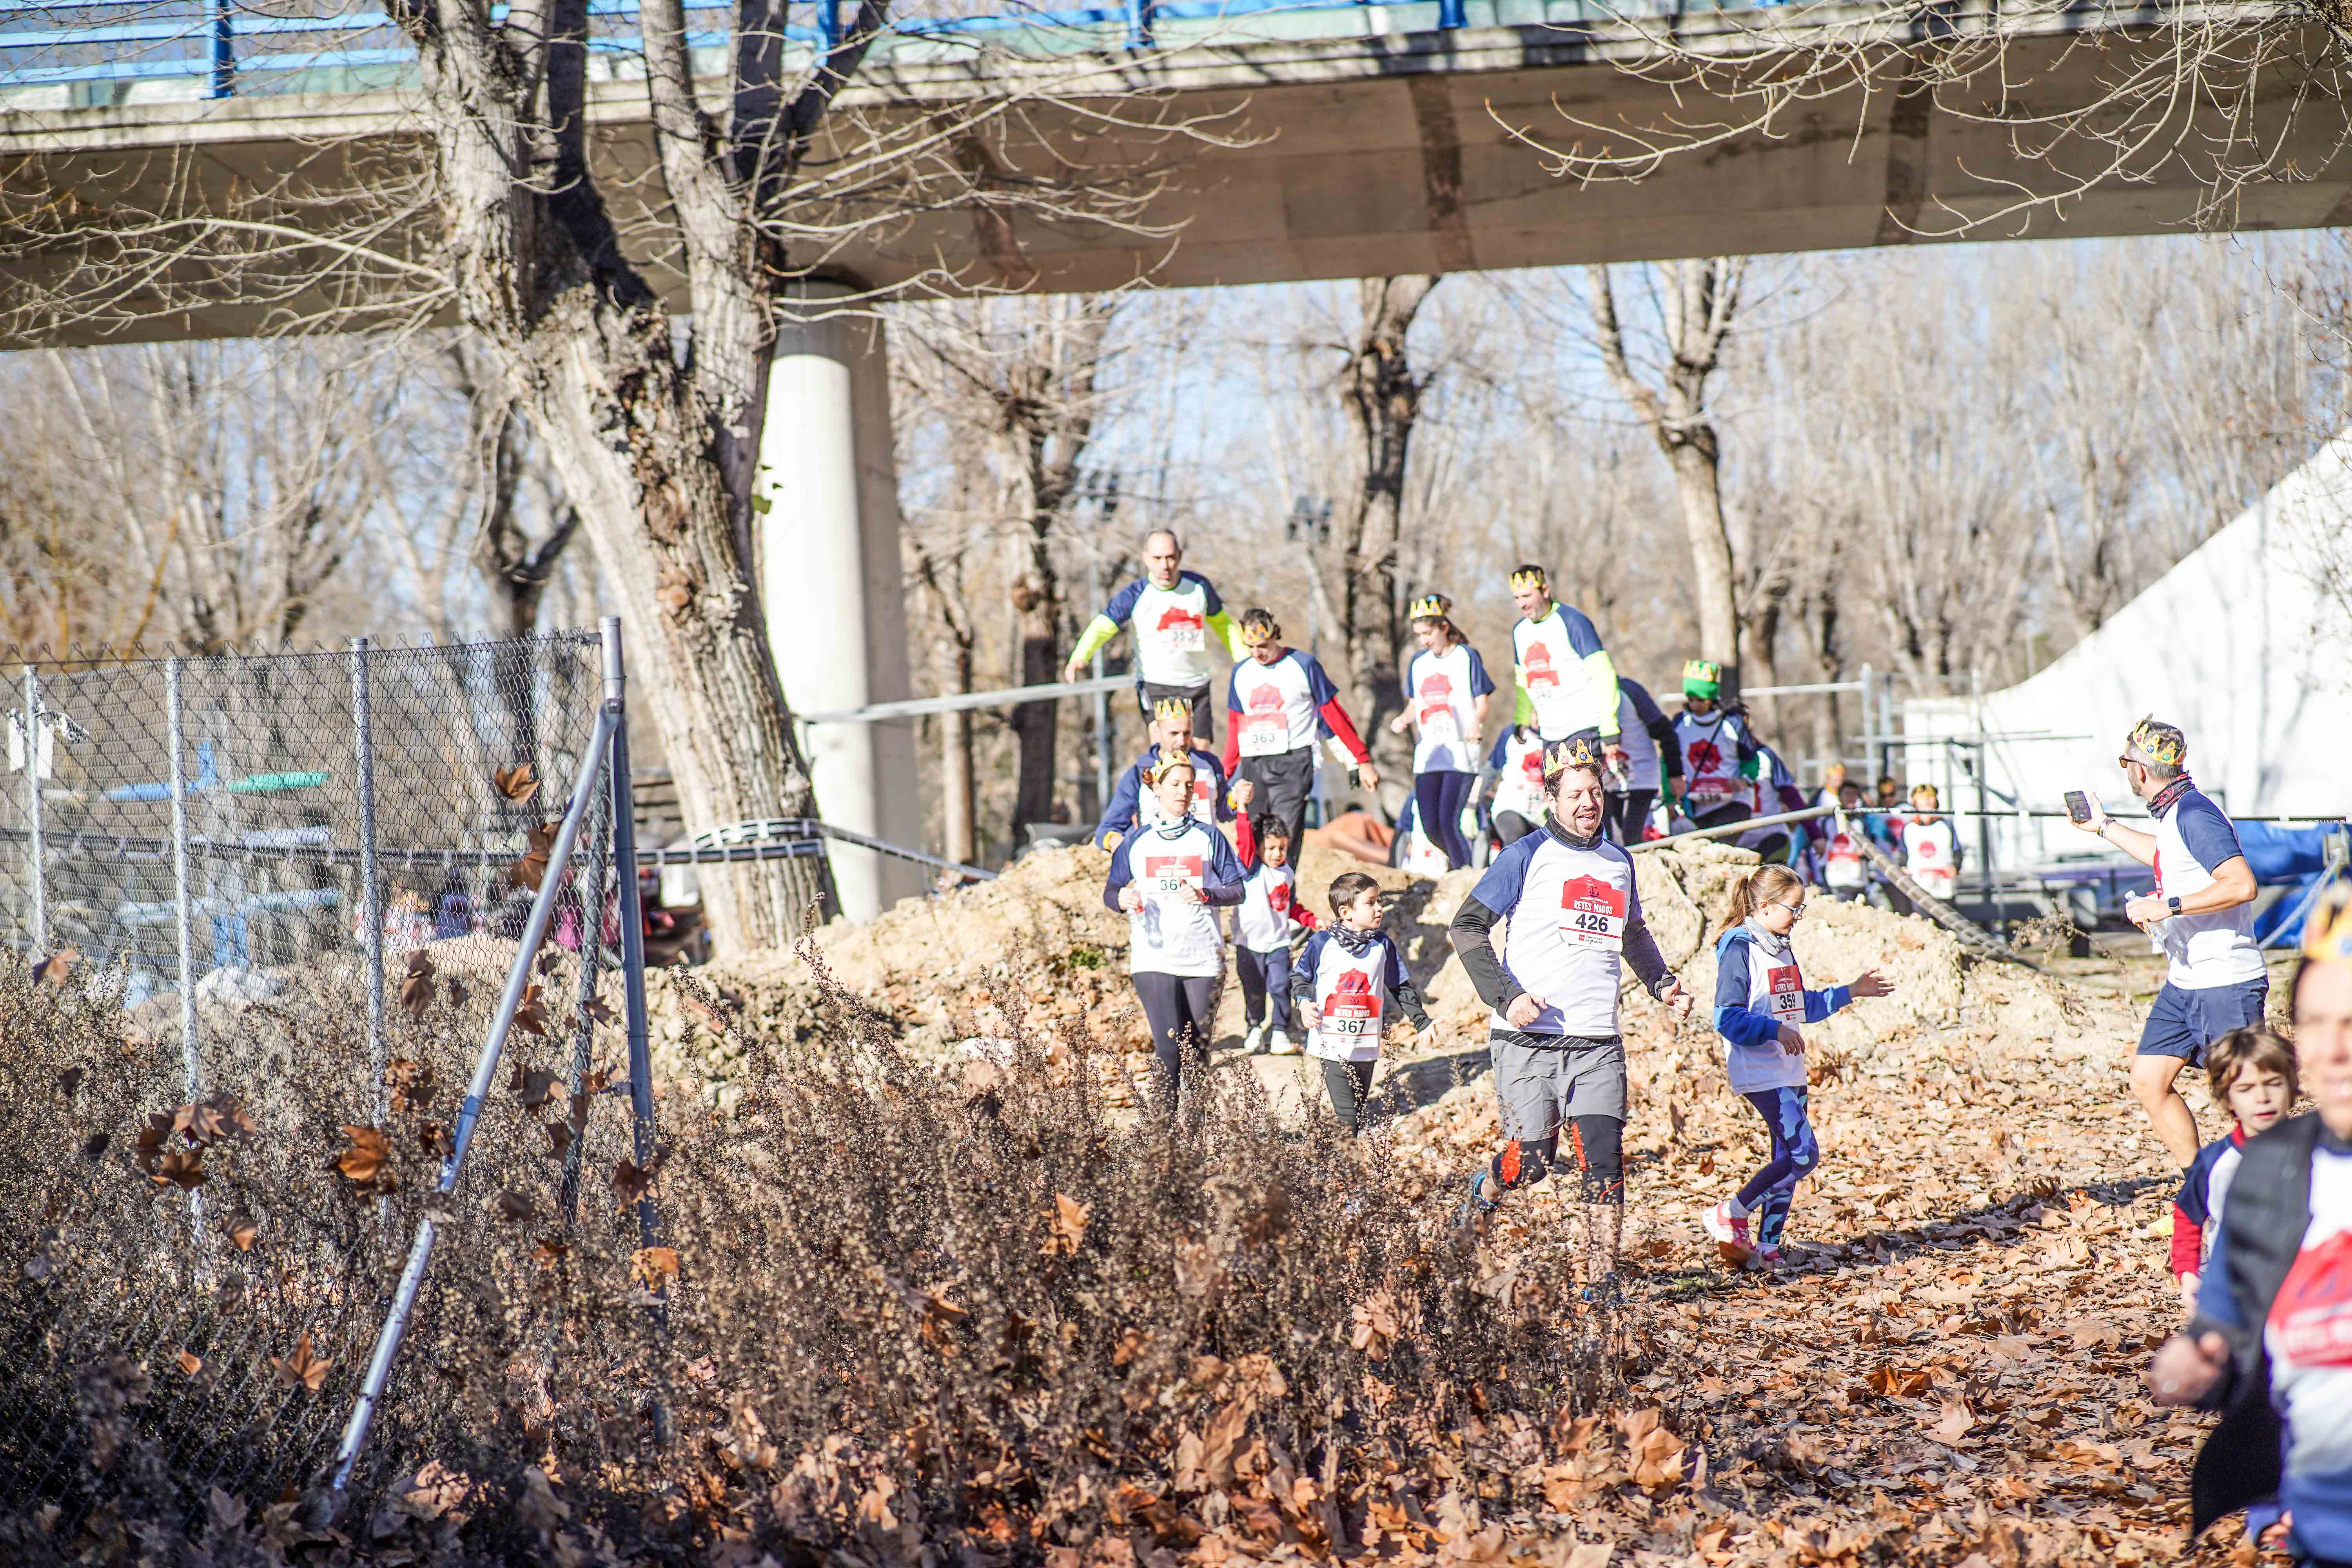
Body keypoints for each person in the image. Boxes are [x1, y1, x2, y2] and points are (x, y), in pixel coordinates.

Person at [2147, 883, 2352, 1567]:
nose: (2335, 1048)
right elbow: (2232, 1325)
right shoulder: (2269, 1170)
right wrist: (2199, 1357)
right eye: (2317, 1023)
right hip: (2320, 1529)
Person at [1447, 736, 1694, 1287]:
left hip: (1597, 1041)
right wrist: (1508, 996)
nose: (1589, 803)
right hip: (1527, 1039)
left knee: (1603, 1158)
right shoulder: (1524, 856)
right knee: (1533, 1162)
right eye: (1576, 794)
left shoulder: (1619, 861)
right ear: (1552, 800)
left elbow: (1632, 932)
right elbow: (1467, 928)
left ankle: (1601, 1280)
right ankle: (1484, 1191)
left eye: (1596, 792)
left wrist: (1662, 983)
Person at [2071, 716, 2267, 1169]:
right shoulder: (2177, 813)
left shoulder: (2196, 814)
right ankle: (2199, 1186)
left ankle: (2278, 1196)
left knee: (2249, 1101)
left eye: (2125, 763)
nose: (2127, 772)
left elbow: (2242, 885)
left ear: (2139, 770)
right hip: (2185, 981)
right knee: (2148, 1080)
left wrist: (2168, 907)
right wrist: (2103, 827)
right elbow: (2166, 857)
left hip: (2225, 981)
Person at [1698, 865, 1895, 1269]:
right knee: (1804, 1156)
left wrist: (1851, 991)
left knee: (1785, 1158)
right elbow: (1726, 1018)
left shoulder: (1781, 947)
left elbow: (1799, 1005)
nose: (1799, 917)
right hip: (1759, 1070)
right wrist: (1773, 1030)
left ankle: (1768, 1246)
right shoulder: (1739, 949)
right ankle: (1731, 1212)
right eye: (1794, 908)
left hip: (1789, 1068)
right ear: (1765, 907)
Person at [1103, 756, 1247, 1115]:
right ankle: (1163, 1138)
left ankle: (1194, 1138)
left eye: (1189, 785)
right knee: (1169, 1048)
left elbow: (1238, 890)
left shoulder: (1209, 836)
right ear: (1156, 788)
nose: (1183, 792)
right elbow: (1111, 891)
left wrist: (1206, 895)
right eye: (1175, 785)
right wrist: (1122, 899)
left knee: (1197, 1051)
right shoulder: (1137, 841)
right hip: (1154, 956)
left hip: (1203, 957)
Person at [1064, 530, 1248, 741]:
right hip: (1157, 683)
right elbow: (1103, 625)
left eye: (1170, 557)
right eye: (1158, 558)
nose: (1165, 565)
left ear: (1180, 556)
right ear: (1146, 559)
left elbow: (1224, 625)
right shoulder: (1135, 594)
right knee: (1165, 746)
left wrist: (1246, 661)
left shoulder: (1199, 587)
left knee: (1201, 750)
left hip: (1196, 683)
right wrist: (1081, 656)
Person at [1220, 608, 1377, 855]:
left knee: (1284, 836)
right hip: (1255, 762)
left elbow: (1334, 716)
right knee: (1255, 837)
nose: (1257, 653)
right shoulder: (1241, 673)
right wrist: (1223, 774)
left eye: (1263, 646)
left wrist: (1360, 759)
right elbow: (1234, 728)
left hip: (1293, 762)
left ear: (1275, 635)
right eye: (1250, 647)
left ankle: (1286, 882)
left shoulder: (1303, 665)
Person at [1293, 871, 1436, 1134]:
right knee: (1347, 1118)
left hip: (1366, 1045)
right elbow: (1300, 976)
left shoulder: (1382, 945)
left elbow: (1400, 986)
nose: (1379, 908)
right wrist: (1303, 1003)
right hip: (1331, 1043)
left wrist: (1422, 1022)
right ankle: (1347, 1160)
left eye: (1379, 901)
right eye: (1371, 903)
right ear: (1346, 912)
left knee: (1358, 1114)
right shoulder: (1322, 943)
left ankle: (1341, 1156)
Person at [2171, 1026, 2298, 1309]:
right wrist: (2189, 1274)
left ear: (2291, 1086)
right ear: (2227, 1098)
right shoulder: (2214, 1162)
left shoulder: (2317, 1151)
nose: (2262, 1097)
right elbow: (2188, 1217)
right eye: (2246, 1089)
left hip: (2307, 1291)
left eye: (2273, 1083)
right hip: (2234, 1292)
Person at [1389, 593, 1494, 872]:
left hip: (1460, 753)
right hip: (1429, 754)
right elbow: (1415, 705)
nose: (1424, 640)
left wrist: (1476, 723)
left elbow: (1482, 702)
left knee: (1449, 821)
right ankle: (1458, 865)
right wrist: (1403, 720)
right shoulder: (1418, 663)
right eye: (1419, 635)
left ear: (1444, 627)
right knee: (1430, 826)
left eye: (1428, 633)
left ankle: (1464, 874)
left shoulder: (1466, 657)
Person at [1506, 565, 1626, 768]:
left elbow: (1603, 673)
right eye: (1516, 598)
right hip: (1550, 732)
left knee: (1581, 786)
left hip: (1583, 726)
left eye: (1527, 596)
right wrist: (1523, 718)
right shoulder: (1520, 631)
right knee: (1555, 789)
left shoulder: (1572, 621)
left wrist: (1609, 727)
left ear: (1545, 591)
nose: (1521, 604)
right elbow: (1524, 680)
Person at [1094, 698, 1250, 851]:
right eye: (1174, 734)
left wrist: (1236, 798)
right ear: (1158, 731)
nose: (1182, 741)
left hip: (1204, 856)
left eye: (1187, 733)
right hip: (1158, 860)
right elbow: (1108, 829)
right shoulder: (1139, 773)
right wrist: (1119, 845)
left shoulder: (1209, 765)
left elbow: (1223, 811)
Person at [1235, 822, 1316, 1056]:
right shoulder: (1251, 869)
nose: (1277, 854)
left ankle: (1280, 1031)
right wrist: (1242, 811)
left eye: (1282, 848)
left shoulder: (1287, 873)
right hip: (1249, 945)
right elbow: (1244, 841)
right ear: (1259, 848)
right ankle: (1255, 1027)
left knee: (1281, 986)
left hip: (1279, 942)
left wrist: (1311, 920)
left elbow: (1290, 906)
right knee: (1253, 989)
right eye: (1271, 848)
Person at [1667, 660, 1763, 832]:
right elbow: (1668, 762)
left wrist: (1744, 779)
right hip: (1697, 805)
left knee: (1723, 843)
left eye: (1701, 700)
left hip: (1734, 801)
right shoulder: (1680, 723)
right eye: (1691, 700)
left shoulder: (1732, 723)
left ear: (1712, 699)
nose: (1695, 705)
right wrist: (1670, 798)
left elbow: (1751, 760)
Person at [1605, 675, 1680, 848]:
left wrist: (1675, 773)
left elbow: (1665, 732)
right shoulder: (1580, 693)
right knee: (1611, 841)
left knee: (1630, 838)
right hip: (1606, 778)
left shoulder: (1629, 690)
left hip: (1640, 775)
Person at [1485, 725, 1548, 848]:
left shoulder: (1560, 732)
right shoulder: (1512, 732)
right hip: (1512, 806)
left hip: (1545, 811)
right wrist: (1471, 805)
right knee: (1516, 840)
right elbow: (1491, 769)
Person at [1902, 782, 1958, 901]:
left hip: (1943, 884)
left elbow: (1957, 851)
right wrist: (1903, 868)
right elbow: (1903, 852)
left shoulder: (1945, 825)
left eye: (1930, 797)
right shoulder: (1910, 828)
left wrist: (1956, 867)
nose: (1927, 802)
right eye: (1922, 798)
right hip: (1918, 884)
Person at [1823, 780, 1870, 902]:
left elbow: (1871, 846)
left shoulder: (1863, 821)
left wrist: (1864, 852)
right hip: (1836, 880)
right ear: (1840, 797)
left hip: (1858, 879)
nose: (1851, 798)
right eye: (1847, 794)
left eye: (1854, 795)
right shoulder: (1828, 822)